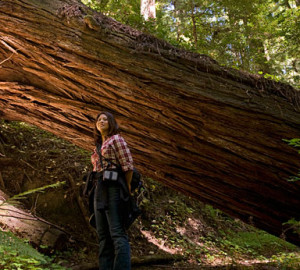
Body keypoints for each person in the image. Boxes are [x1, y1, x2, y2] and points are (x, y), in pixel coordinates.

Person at [91, 111, 133, 270]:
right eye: (99, 120)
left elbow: (128, 165)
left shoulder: (117, 139)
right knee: (103, 236)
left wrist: (127, 186)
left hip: (113, 187)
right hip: (99, 188)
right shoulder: (98, 145)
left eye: (105, 119)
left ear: (111, 123)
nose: (101, 121)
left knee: (116, 233)